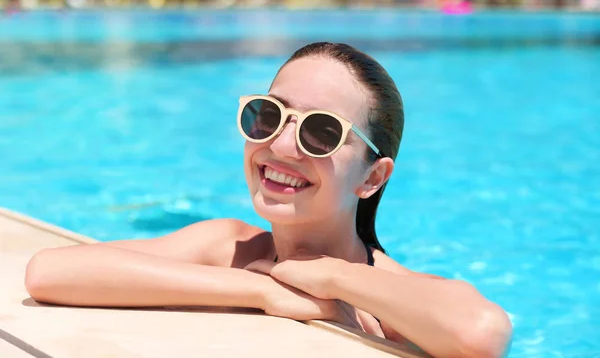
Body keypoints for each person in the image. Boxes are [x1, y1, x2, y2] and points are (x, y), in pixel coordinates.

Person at [25, 42, 512, 358]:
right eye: (268, 115)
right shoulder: (227, 248)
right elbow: (49, 273)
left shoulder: (390, 295)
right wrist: (264, 290)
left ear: (372, 177)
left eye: (322, 132)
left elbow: (483, 333)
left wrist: (332, 275)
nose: (279, 146)